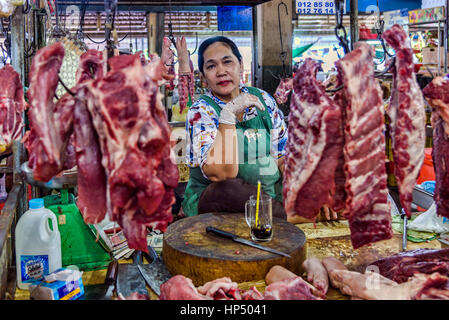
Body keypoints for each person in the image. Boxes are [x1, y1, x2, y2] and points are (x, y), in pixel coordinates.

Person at [176, 36, 288, 219]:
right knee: (229, 190)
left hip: (270, 197)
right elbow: (222, 173)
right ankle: (287, 216)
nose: (221, 71)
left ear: (241, 64)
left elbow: (283, 155)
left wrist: (301, 193)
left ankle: (285, 211)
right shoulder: (201, 111)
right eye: (211, 66)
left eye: (227, 62)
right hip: (220, 201)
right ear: (203, 78)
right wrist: (227, 116)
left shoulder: (263, 99)